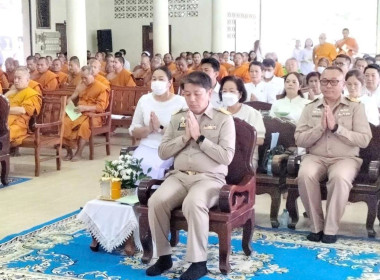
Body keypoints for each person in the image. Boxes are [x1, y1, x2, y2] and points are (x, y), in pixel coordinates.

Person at [146, 71, 235, 280]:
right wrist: (185, 138)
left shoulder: (223, 120)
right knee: (156, 200)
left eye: (197, 94)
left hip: (209, 178)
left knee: (194, 203)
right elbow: (163, 152)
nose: (192, 99)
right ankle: (164, 257)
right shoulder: (178, 118)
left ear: (210, 93)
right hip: (178, 177)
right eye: (187, 94)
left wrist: (200, 138)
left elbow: (226, 157)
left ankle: (198, 262)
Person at [295, 66, 372, 244]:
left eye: (334, 81)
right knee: (305, 175)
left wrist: (337, 128)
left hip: (346, 158)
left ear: (343, 83)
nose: (328, 85)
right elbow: (299, 139)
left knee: (339, 178)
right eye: (324, 81)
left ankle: (330, 229)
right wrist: (320, 128)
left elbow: (364, 139)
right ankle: (316, 227)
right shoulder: (310, 108)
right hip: (316, 156)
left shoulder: (355, 107)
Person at [129, 66, 187, 179]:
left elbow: (182, 134)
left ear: (169, 82)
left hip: (169, 149)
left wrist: (159, 128)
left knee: (154, 168)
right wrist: (149, 129)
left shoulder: (180, 102)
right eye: (154, 79)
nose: (156, 82)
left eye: (161, 79)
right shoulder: (144, 100)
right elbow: (133, 129)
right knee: (133, 168)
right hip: (146, 146)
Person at [62, 66, 109, 161]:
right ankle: (69, 152)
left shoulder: (102, 88)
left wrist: (85, 108)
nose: (83, 80)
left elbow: (101, 107)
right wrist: (69, 101)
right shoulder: (81, 85)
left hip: (94, 116)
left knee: (84, 126)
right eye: (82, 78)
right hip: (79, 113)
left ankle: (79, 153)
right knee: (64, 123)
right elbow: (72, 97)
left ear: (93, 75)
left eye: (85, 78)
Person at [219, 75, 265, 170]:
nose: (227, 94)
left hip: (245, 158)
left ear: (240, 94)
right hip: (221, 156)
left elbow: (260, 140)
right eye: (224, 91)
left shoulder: (252, 113)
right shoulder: (218, 113)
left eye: (231, 91)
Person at [5, 67, 41, 146]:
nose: (16, 81)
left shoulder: (31, 93)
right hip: (5, 122)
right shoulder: (13, 92)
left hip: (18, 126)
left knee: (3, 134)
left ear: (27, 80)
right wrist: (8, 93)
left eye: (19, 78)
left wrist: (4, 110)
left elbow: (22, 110)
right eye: (15, 78)